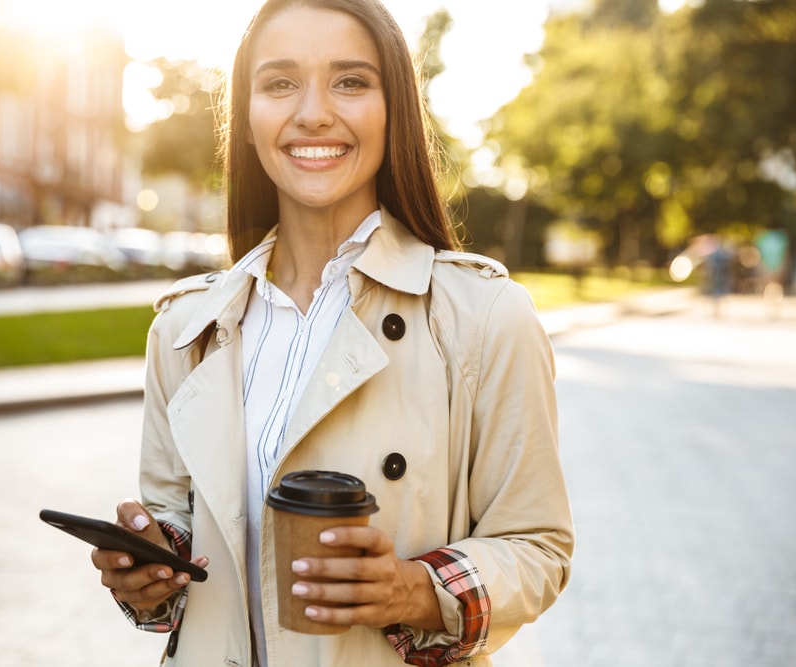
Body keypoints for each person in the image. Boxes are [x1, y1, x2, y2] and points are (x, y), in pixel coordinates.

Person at [91, 1, 574, 665]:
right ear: (248, 118)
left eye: (350, 81)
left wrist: (415, 590)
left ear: (393, 109)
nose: (313, 112)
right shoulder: (186, 326)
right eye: (279, 83)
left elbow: (537, 547)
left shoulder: (486, 317)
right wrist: (150, 571)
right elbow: (179, 534)